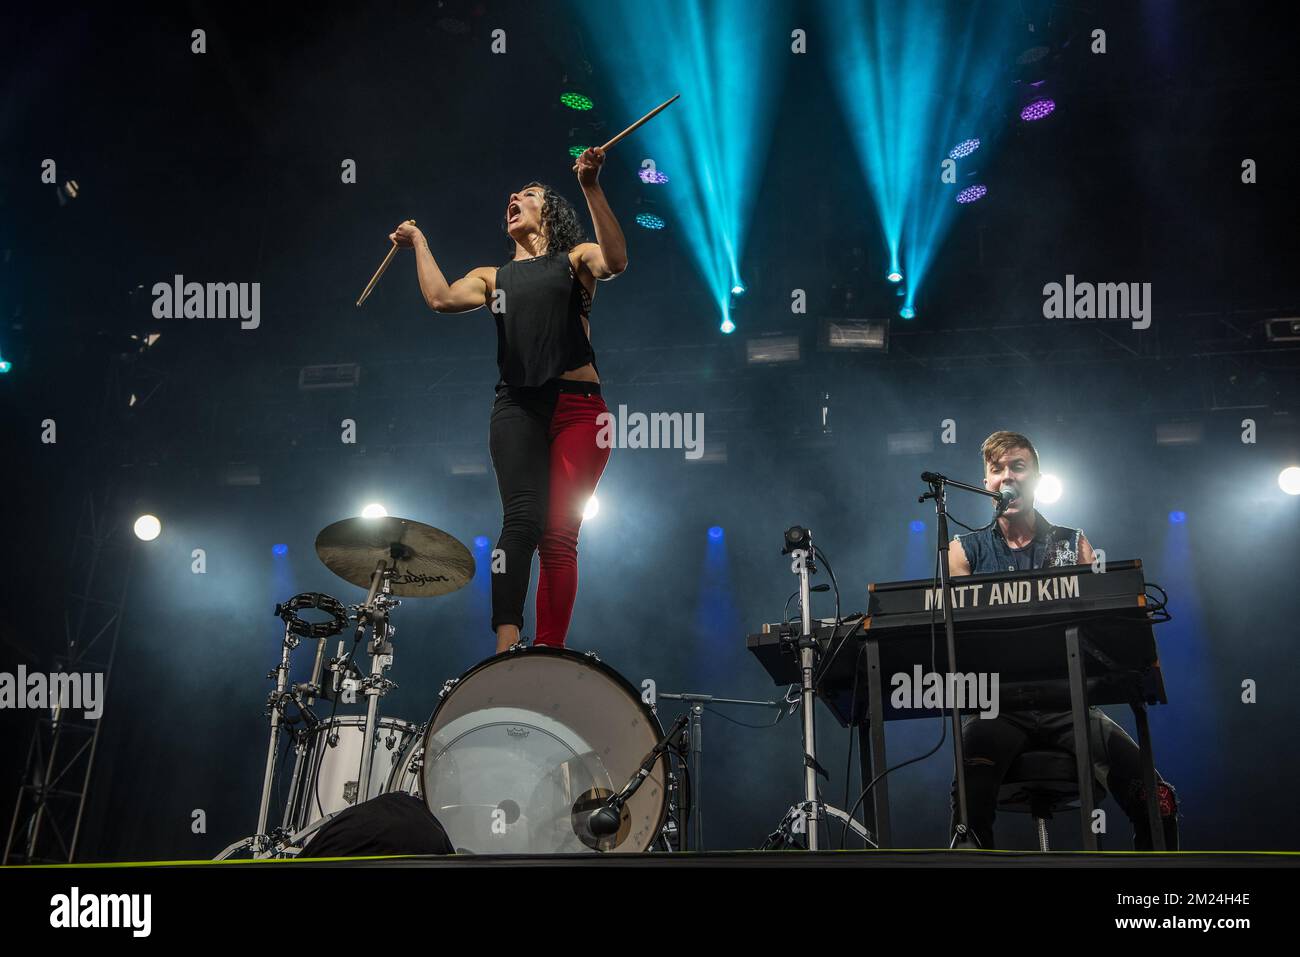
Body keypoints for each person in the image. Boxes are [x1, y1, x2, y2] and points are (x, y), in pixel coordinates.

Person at [390, 147, 627, 653]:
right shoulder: (491, 277)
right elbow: (440, 299)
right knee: (520, 520)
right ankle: (506, 649)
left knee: (559, 534)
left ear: (551, 212)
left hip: (579, 407)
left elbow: (617, 261)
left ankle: (548, 651)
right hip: (517, 406)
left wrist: (590, 185)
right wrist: (420, 244)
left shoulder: (576, 259)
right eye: (513, 195)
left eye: (529, 194)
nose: (514, 198)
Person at [947, 430, 1179, 850]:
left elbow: (1106, 629)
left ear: (1036, 477)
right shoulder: (964, 551)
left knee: (1157, 799)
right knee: (968, 802)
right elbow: (959, 643)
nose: (1007, 477)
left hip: (1069, 704)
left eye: (1018, 466)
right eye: (996, 470)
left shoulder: (1073, 544)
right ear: (985, 484)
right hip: (997, 707)